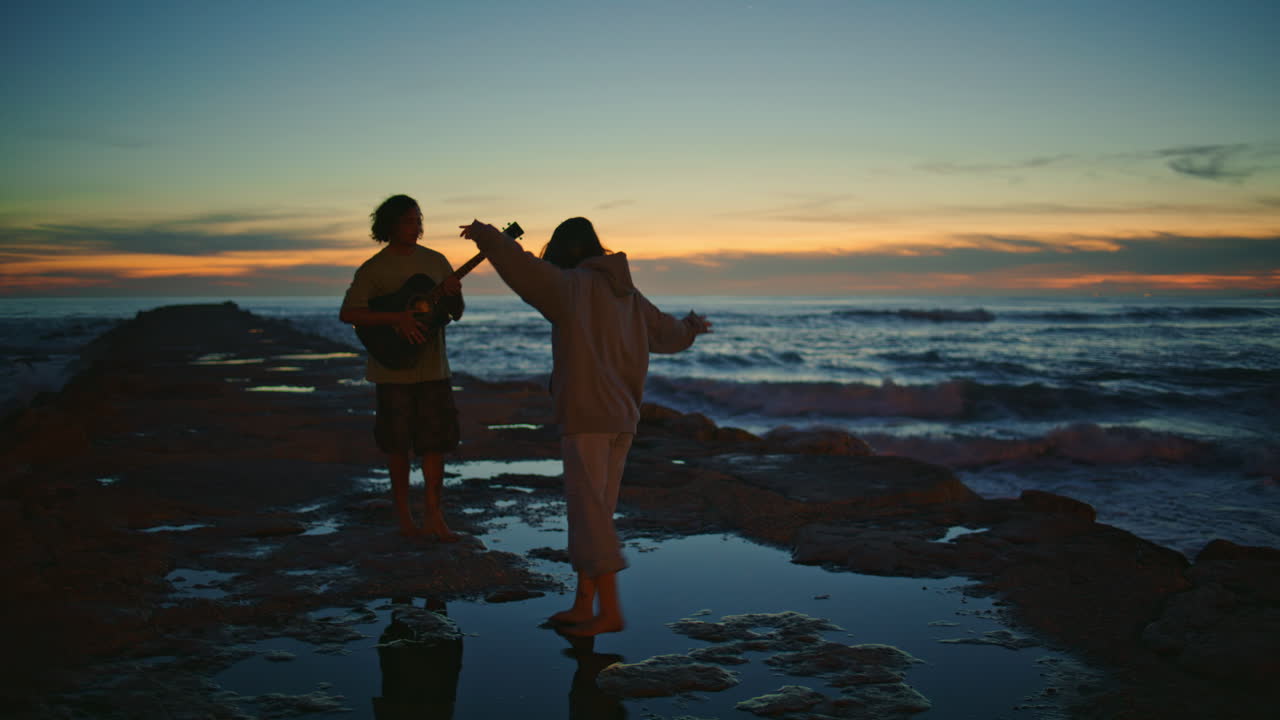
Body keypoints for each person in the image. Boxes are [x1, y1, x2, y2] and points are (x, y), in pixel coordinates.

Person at [459, 216, 711, 636]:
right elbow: (666, 333)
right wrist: (691, 327)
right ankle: (583, 604)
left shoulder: (571, 287)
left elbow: (520, 267)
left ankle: (609, 612)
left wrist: (487, 235)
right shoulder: (628, 294)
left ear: (565, 251)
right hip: (623, 420)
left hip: (588, 415)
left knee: (590, 516)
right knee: (598, 513)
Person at [341, 195, 464, 541]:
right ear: (391, 225)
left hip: (433, 369)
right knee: (397, 446)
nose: (417, 226)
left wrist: (453, 293)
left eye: (419, 219)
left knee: (436, 444)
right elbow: (350, 313)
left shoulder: (436, 261)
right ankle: (404, 519)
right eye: (410, 220)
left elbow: (455, 311)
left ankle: (434, 517)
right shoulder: (374, 268)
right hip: (391, 369)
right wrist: (397, 318)